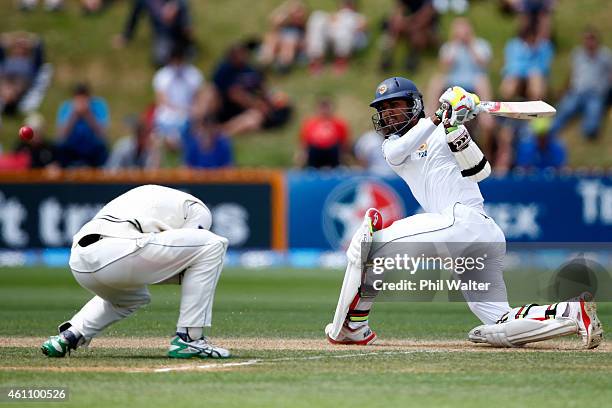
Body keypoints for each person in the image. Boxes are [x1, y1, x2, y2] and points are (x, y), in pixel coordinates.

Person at [324, 77, 603, 349]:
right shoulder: (392, 146)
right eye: (383, 110)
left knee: (370, 245)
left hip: (464, 220)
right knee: (499, 318)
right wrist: (440, 118)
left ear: (414, 105)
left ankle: (352, 327)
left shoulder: (444, 129)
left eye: (394, 106)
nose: (389, 115)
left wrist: (456, 127)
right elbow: (402, 150)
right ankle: (573, 312)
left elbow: (482, 171)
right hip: (469, 235)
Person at [41, 184, 231, 359]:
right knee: (214, 244)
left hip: (79, 260)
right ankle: (189, 340)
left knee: (131, 298)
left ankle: (70, 335)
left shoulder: (146, 195)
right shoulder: (198, 209)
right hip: (118, 249)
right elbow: (190, 256)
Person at [211, 43, 292, 136]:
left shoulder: (250, 70)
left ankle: (221, 134)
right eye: (238, 53)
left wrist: (274, 99)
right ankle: (217, 130)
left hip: (246, 111)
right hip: (224, 109)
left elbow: (264, 88)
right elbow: (234, 94)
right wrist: (257, 104)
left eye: (244, 53)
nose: (243, 56)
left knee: (253, 119)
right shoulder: (225, 70)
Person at [549, 28, 612, 141]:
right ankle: (551, 130)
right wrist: (564, 90)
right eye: (586, 39)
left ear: (597, 40)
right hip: (576, 93)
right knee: (565, 109)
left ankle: (590, 131)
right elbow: (572, 74)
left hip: (595, 95)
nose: (589, 42)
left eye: (592, 39)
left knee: (593, 113)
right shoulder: (577, 54)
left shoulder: (605, 56)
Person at [114, 0, 193, 67]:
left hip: (179, 32)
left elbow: (183, 6)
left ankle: (183, 51)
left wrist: (176, 7)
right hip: (162, 35)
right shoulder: (145, 1)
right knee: (159, 59)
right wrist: (126, 36)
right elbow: (134, 16)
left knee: (190, 55)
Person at [152, 45, 204, 147]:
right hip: (168, 114)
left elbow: (198, 97)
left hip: (189, 113)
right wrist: (179, 110)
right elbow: (161, 99)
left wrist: (192, 110)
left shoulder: (193, 74)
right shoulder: (162, 75)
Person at [304, 0, 368, 75]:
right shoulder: (334, 14)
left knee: (347, 18)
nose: (346, 4)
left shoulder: (357, 16)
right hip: (330, 36)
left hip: (347, 39)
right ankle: (316, 57)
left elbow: (363, 27)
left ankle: (341, 60)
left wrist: (346, 22)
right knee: (317, 16)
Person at [55, 83, 109, 168]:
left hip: (93, 149)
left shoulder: (99, 105)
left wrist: (88, 114)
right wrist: (74, 115)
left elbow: (102, 135)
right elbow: (61, 137)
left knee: (103, 149)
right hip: (71, 149)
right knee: (59, 149)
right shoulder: (66, 107)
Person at [379, 0, 439, 72]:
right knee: (396, 25)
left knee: (418, 33)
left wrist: (409, 24)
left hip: (427, 29)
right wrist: (400, 21)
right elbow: (398, 10)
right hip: (412, 24)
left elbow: (427, 14)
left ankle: (412, 56)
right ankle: (388, 55)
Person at [500, 24, 553, 101]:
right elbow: (510, 65)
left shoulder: (544, 46)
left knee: (535, 79)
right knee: (510, 83)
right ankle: (505, 108)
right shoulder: (514, 45)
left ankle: (535, 109)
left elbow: (544, 67)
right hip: (517, 74)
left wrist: (530, 71)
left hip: (535, 75)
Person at [296, 97, 350, 168]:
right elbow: (304, 142)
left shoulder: (339, 123)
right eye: (322, 108)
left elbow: (344, 143)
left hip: (333, 153)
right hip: (315, 152)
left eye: (327, 108)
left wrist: (345, 155)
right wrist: (302, 155)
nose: (324, 111)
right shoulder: (310, 123)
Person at [258, 0, 308, 73]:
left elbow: (305, 42)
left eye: (298, 11)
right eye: (294, 12)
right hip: (279, 46)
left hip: (293, 47)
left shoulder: (303, 27)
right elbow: (273, 20)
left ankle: (283, 64)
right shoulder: (285, 25)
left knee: (290, 40)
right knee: (272, 37)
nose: (296, 15)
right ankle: (265, 62)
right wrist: (285, 8)